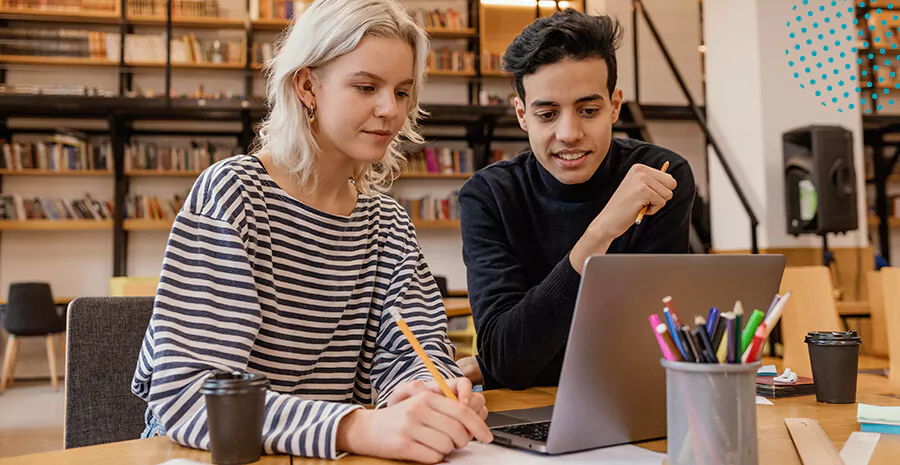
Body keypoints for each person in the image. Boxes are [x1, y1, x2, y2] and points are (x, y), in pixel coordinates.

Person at [131, 0, 492, 463]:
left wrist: (427, 397)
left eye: (402, 92)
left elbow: (418, 354)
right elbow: (191, 396)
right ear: (307, 86)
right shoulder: (234, 194)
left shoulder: (388, 223)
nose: (389, 109)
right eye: (366, 87)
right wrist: (354, 425)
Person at [459, 9, 696, 390]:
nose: (569, 133)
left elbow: (649, 346)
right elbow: (507, 360)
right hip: (524, 414)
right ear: (522, 115)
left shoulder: (660, 176)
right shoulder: (489, 196)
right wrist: (601, 231)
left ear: (615, 106)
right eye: (548, 113)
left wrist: (514, 359)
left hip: (628, 402)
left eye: (588, 111)